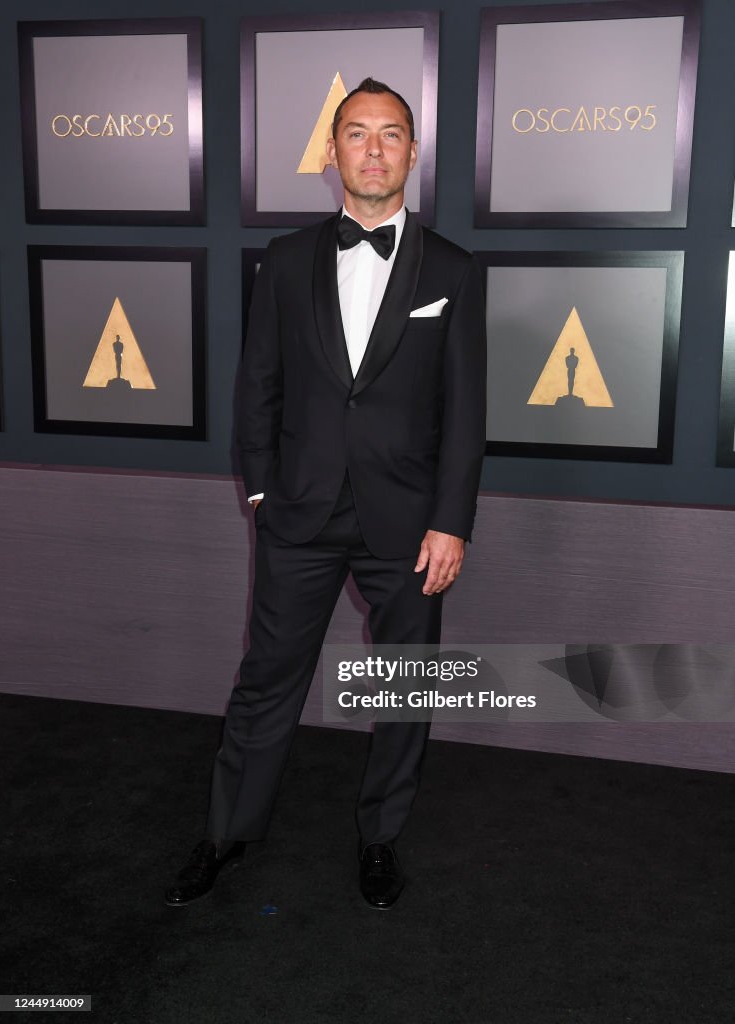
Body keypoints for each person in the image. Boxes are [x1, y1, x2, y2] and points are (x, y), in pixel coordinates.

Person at [165, 78, 486, 911]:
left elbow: (466, 410)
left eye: (390, 135)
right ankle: (228, 831)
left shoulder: (453, 267)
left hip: (410, 523)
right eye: (356, 133)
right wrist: (265, 496)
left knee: (406, 686)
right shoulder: (285, 260)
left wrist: (452, 522)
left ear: (412, 153)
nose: (373, 148)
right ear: (333, 150)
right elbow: (257, 388)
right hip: (300, 514)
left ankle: (380, 839)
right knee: (267, 678)